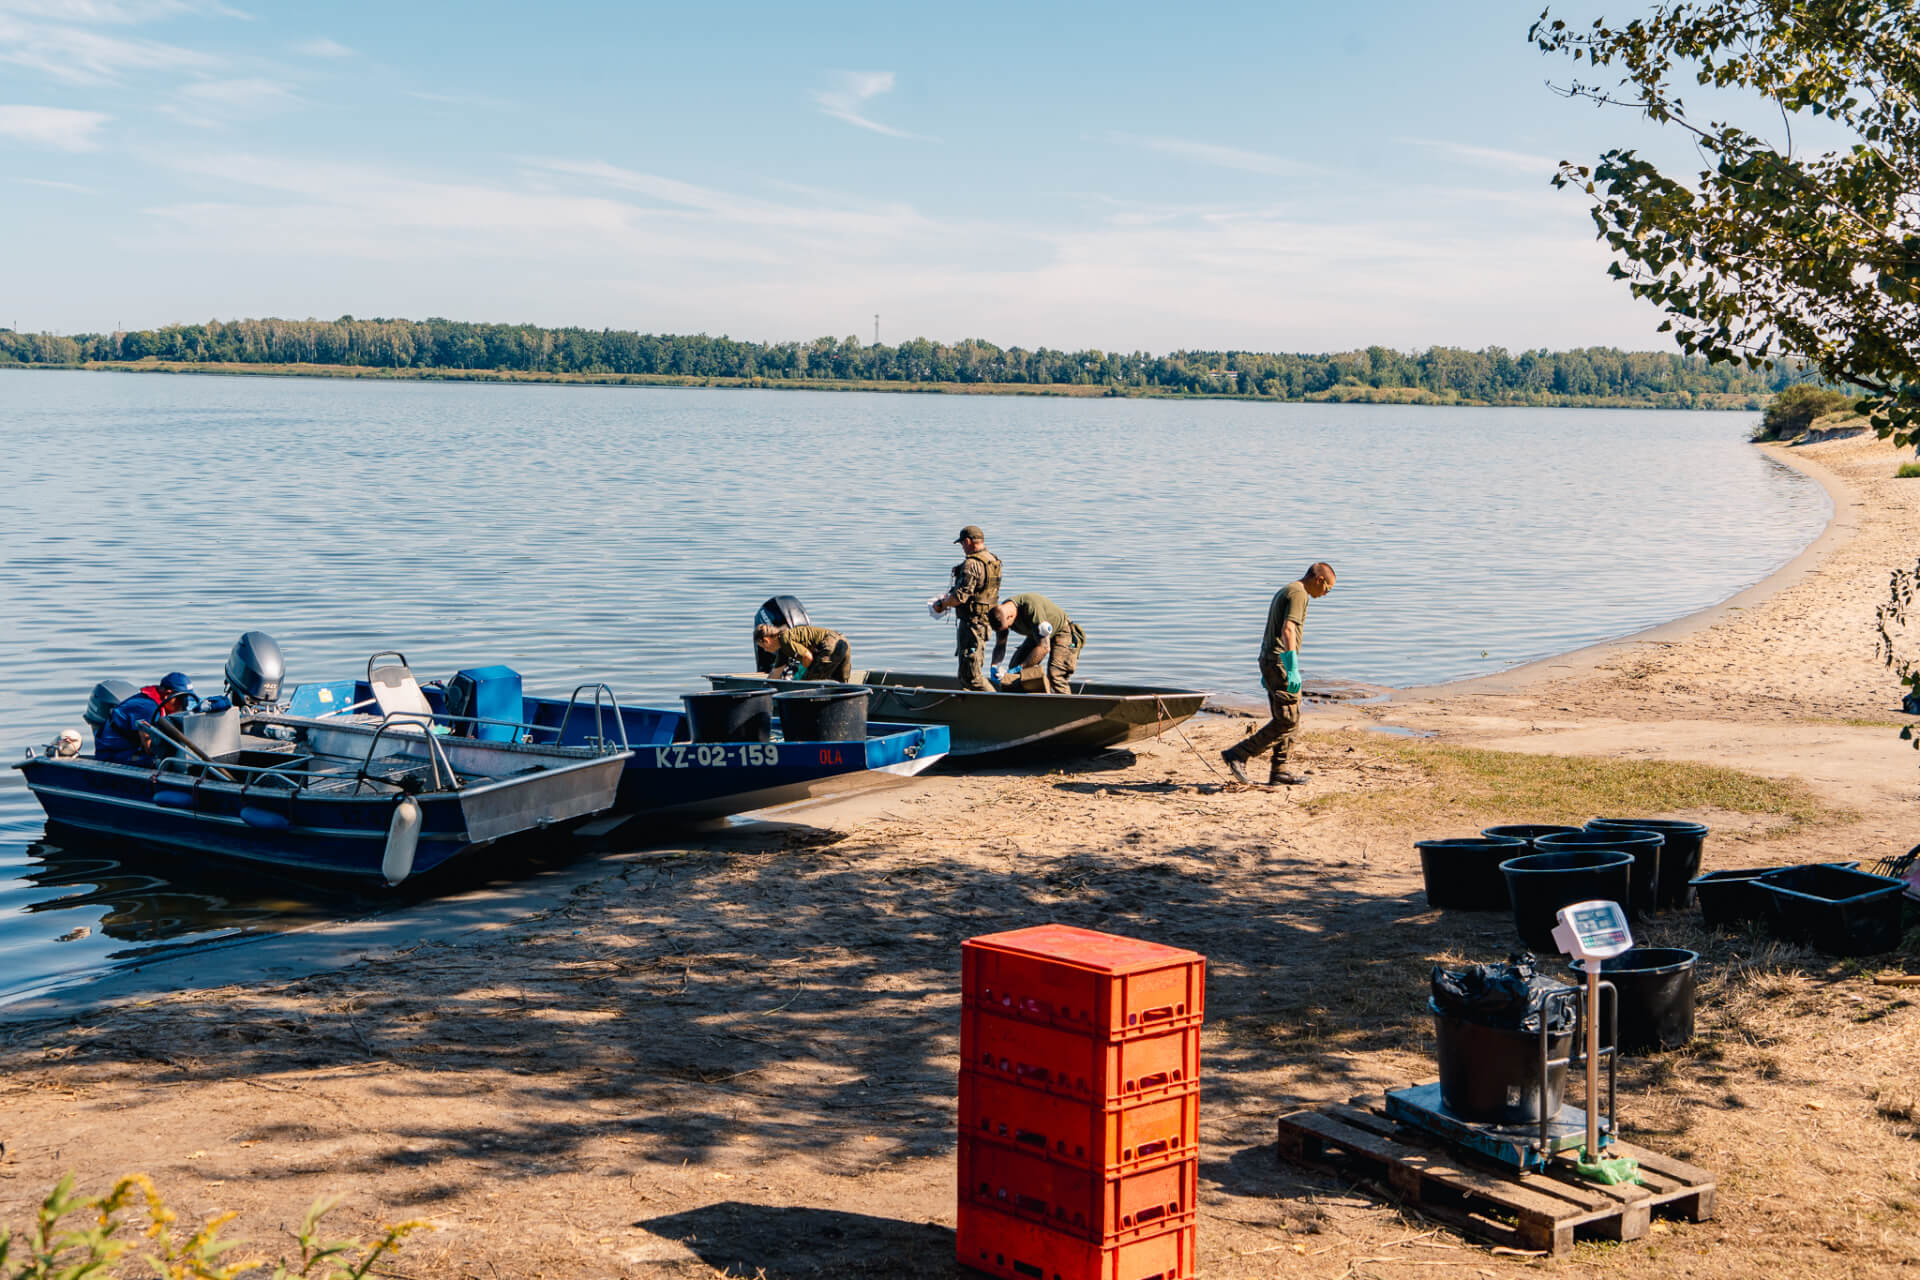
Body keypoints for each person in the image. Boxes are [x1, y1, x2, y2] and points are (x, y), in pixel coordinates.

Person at [1222, 562, 1336, 786]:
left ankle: (1280, 771)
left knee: (1288, 716)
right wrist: (1290, 666)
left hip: (1271, 660)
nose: (1326, 594)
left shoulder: (1289, 590)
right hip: (1279, 661)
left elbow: (1271, 629)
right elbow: (1287, 628)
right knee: (1287, 720)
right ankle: (1239, 754)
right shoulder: (1298, 593)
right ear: (1319, 580)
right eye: (1328, 589)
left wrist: (1267, 666)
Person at [930, 524, 1002, 690]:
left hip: (972, 624)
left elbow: (960, 597)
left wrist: (941, 604)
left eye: (962, 543)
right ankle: (968, 704)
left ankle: (996, 703)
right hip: (985, 622)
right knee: (966, 671)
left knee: (971, 676)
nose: (962, 547)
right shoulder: (993, 560)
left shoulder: (971, 564)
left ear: (968, 541)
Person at [989, 593, 1086, 694]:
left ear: (1010, 616)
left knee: (1055, 674)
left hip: (1062, 632)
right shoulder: (1000, 615)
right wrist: (995, 666)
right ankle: (1029, 702)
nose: (1006, 630)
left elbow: (1044, 648)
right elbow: (1000, 645)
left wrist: (1020, 668)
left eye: (1008, 627)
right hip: (1037, 635)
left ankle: (1067, 706)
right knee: (1014, 671)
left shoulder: (1032, 610)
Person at [96, 672, 196, 766]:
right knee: (159, 762)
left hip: (133, 748)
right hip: (113, 754)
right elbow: (150, 748)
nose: (185, 706)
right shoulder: (147, 708)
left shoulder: (162, 704)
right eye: (182, 701)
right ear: (167, 695)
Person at [754, 623, 853, 683]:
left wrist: (801, 676)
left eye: (763, 647)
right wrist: (766, 686)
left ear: (766, 640)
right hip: (842, 640)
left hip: (829, 644)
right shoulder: (783, 648)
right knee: (841, 683)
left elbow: (807, 657)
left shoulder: (785, 641)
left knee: (807, 685)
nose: (765, 651)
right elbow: (775, 673)